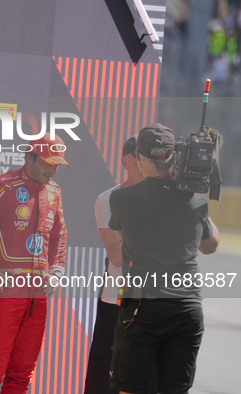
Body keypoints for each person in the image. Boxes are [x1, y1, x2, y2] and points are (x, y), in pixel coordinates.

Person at [108, 124, 220, 394]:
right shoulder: (194, 198)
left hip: (142, 308)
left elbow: (122, 236)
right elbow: (211, 245)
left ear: (138, 156)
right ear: (174, 155)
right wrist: (195, 192)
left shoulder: (121, 198)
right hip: (187, 308)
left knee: (130, 388)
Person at [0, 135, 69, 394]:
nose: (52, 170)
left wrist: (56, 271)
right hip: (6, 293)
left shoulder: (54, 191)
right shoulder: (4, 185)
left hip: (38, 295)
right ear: (29, 157)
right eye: (47, 163)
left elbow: (60, 236)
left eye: (56, 165)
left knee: (22, 375)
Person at [84, 136, 152, 394]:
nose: (144, 165)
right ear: (125, 160)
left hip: (156, 303)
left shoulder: (167, 200)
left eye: (148, 158)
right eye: (138, 158)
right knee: (105, 380)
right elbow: (116, 257)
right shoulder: (109, 199)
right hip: (117, 303)